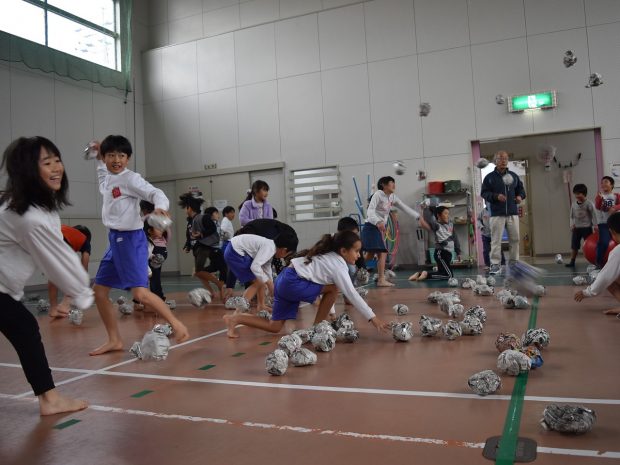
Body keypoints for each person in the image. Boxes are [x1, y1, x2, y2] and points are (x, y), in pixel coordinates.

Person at [0, 136, 92, 415]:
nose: (56, 168)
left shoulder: (36, 206)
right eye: (46, 163)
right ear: (28, 170)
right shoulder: (28, 216)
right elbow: (58, 260)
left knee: (24, 327)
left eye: (57, 160)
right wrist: (80, 295)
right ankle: (49, 399)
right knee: (25, 327)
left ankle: (49, 398)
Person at [89, 135, 189, 355]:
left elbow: (156, 193)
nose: (117, 159)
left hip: (131, 241)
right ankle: (114, 340)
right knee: (99, 291)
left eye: (122, 155)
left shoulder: (130, 179)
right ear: (105, 157)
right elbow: (101, 176)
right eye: (111, 155)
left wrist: (160, 206)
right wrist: (97, 158)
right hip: (114, 241)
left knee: (141, 294)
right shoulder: (107, 176)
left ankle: (177, 324)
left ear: (129, 158)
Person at [223, 231, 388, 338]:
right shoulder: (338, 265)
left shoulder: (329, 256)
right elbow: (349, 293)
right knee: (334, 288)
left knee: (274, 326)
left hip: (284, 279)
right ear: (343, 251)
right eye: (357, 251)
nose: (359, 255)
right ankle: (316, 328)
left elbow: (326, 286)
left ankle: (235, 319)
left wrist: (330, 312)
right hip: (292, 282)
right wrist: (373, 318)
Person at [361, 176, 424, 287]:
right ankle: (380, 280)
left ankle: (356, 268)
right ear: (384, 185)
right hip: (371, 227)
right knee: (382, 252)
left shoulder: (392, 197)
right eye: (391, 183)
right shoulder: (378, 195)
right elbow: (370, 212)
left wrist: (417, 216)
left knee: (370, 254)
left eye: (394, 183)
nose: (394, 185)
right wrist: (378, 222)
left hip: (378, 227)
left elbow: (404, 207)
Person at [223, 231, 298, 315]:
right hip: (235, 252)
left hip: (234, 250)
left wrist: (270, 284)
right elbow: (255, 267)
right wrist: (269, 284)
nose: (284, 257)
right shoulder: (269, 248)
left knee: (262, 278)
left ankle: (261, 305)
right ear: (284, 250)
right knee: (259, 280)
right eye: (287, 254)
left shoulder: (270, 246)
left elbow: (266, 268)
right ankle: (238, 311)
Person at [480, 150, 526, 275]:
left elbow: (521, 191)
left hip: (512, 213)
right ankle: (495, 265)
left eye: (505, 158)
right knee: (495, 240)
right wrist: (496, 196)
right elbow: (484, 193)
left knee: (515, 239)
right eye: (500, 158)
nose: (503, 160)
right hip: (496, 214)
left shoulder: (514, 176)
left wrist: (520, 197)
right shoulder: (489, 178)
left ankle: (514, 263)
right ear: (495, 161)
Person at [178, 193, 226, 302]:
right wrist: (188, 246)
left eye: (186, 208)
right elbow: (189, 236)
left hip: (204, 246)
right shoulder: (190, 222)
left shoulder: (203, 218)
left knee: (198, 271)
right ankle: (211, 292)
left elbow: (212, 228)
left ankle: (219, 284)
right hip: (196, 248)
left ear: (189, 208)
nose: (185, 210)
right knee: (199, 273)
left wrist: (201, 234)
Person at [575, 212, 620, 315]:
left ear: (612, 232)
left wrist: (587, 292)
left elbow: (605, 277)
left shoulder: (618, 251)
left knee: (611, 281)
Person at [48, 224, 91, 318]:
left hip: (48, 236)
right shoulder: (85, 240)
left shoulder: (67, 230)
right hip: (61, 241)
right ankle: (64, 305)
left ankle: (53, 308)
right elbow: (85, 261)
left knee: (53, 274)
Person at [410, 206, 461, 281]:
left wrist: (458, 252)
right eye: (445, 213)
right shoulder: (436, 225)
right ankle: (426, 275)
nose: (448, 215)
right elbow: (427, 218)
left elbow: (455, 238)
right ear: (438, 215)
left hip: (449, 254)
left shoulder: (450, 224)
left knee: (442, 272)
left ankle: (420, 274)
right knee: (449, 276)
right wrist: (426, 208)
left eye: (448, 213)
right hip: (441, 253)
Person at [566, 183, 596, 268]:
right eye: (575, 193)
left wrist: (596, 226)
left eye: (579, 193)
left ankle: (593, 261)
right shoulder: (574, 204)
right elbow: (571, 216)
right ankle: (572, 262)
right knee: (574, 246)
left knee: (590, 245)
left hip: (587, 228)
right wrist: (572, 225)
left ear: (584, 194)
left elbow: (594, 215)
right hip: (577, 228)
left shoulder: (589, 204)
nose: (577, 195)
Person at [594, 176, 620, 268]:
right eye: (602, 182)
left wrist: (615, 208)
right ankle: (599, 262)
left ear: (612, 185)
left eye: (606, 182)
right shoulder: (600, 196)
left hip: (615, 223)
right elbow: (598, 207)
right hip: (604, 224)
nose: (603, 184)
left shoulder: (616, 196)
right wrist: (600, 199)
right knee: (604, 242)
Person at [144, 219, 168, 304]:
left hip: (153, 264)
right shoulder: (147, 242)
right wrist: (148, 270)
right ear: (150, 231)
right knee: (150, 281)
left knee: (153, 280)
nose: (161, 230)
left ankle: (154, 300)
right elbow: (144, 257)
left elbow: (148, 254)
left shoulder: (156, 240)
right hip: (146, 266)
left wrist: (153, 257)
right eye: (158, 228)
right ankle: (157, 300)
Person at [477, 203, 505, 271]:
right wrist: (481, 226)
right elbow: (478, 220)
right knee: (486, 250)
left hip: (495, 234)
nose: (488, 203)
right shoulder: (483, 212)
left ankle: (503, 263)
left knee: (498, 249)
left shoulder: (495, 210)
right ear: (485, 203)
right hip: (485, 235)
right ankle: (487, 264)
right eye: (487, 202)